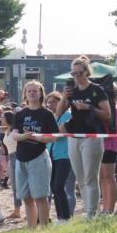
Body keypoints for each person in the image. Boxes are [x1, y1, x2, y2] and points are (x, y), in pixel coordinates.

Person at [55, 57, 111, 219]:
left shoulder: (97, 90)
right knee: (80, 177)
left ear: (87, 72)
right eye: (74, 73)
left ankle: (91, 212)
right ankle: (88, 209)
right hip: (74, 136)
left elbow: (107, 115)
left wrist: (88, 107)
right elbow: (58, 112)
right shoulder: (72, 91)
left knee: (90, 176)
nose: (77, 76)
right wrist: (65, 97)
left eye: (80, 73)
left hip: (92, 136)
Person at [13, 81, 58, 228]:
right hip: (20, 158)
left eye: (35, 91)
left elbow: (53, 137)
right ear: (25, 94)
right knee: (26, 197)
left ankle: (44, 227)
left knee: (40, 196)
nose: (32, 93)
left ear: (40, 93)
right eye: (29, 91)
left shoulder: (47, 114)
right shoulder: (20, 114)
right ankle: (31, 229)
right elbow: (14, 135)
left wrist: (35, 137)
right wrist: (24, 137)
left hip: (39, 157)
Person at [46, 91, 74, 221]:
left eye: (54, 102)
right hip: (52, 155)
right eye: (49, 102)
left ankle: (66, 217)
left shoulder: (67, 115)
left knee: (59, 186)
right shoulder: (54, 117)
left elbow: (58, 133)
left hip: (64, 155)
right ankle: (60, 217)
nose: (51, 105)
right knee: (54, 188)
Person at [100, 101, 117, 213]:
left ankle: (111, 208)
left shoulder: (115, 109)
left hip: (110, 146)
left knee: (109, 177)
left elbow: (112, 128)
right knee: (102, 178)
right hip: (100, 146)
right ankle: (105, 207)